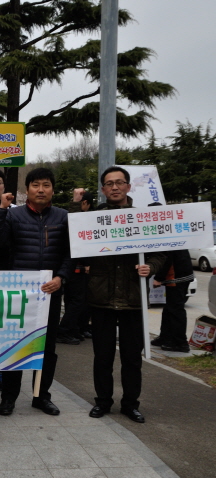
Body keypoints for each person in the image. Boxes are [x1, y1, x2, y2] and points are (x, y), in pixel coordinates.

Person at [0, 167, 73, 416]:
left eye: (46, 185)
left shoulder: (64, 217)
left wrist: (61, 277)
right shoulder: (13, 216)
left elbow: (70, 254)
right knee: (16, 345)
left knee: (47, 348)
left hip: (50, 293)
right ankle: (8, 398)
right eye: (36, 185)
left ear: (53, 190)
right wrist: (1, 210)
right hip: (19, 295)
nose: (41, 189)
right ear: (27, 190)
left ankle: (41, 396)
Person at [87, 168, 166, 423]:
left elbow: (161, 252)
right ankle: (103, 401)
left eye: (119, 182)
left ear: (128, 187)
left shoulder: (143, 218)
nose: (114, 187)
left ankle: (131, 404)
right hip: (101, 299)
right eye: (109, 184)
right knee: (103, 357)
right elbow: (77, 246)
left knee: (132, 358)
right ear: (102, 190)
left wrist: (150, 267)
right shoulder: (92, 219)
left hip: (134, 300)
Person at [58, 189, 96, 345]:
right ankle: (64, 330)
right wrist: (88, 262)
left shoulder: (73, 218)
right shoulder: (78, 219)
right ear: (85, 203)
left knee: (72, 301)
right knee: (77, 301)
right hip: (76, 267)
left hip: (70, 267)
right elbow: (80, 244)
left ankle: (74, 329)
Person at [151, 248, 194, 353]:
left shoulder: (169, 239)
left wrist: (158, 278)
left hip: (177, 275)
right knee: (169, 308)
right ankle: (165, 337)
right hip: (181, 273)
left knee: (176, 309)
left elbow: (167, 257)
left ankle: (181, 343)